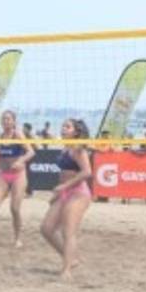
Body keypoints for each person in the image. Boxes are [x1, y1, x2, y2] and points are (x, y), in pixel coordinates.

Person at [41, 118, 94, 279]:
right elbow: (63, 175)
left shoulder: (78, 149)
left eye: (67, 127)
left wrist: (64, 187)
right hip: (65, 192)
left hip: (78, 192)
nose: (63, 129)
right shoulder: (65, 148)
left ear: (76, 132)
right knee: (46, 229)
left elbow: (87, 172)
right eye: (63, 126)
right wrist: (57, 193)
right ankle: (72, 258)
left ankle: (66, 270)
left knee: (68, 231)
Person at [0, 110, 34, 248]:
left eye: (9, 119)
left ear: (13, 121)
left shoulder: (18, 134)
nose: (6, 121)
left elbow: (31, 152)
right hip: (4, 174)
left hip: (18, 174)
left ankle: (17, 239)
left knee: (14, 209)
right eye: (4, 119)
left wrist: (21, 161)